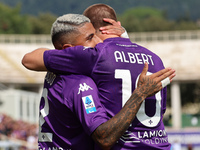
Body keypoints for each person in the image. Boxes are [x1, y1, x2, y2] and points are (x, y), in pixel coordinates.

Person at [22, 5, 176, 150]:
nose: (95, 42)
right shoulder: (155, 59)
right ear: (117, 24)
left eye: (92, 35)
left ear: (97, 30)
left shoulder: (96, 56)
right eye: (90, 38)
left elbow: (29, 60)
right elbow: (160, 113)